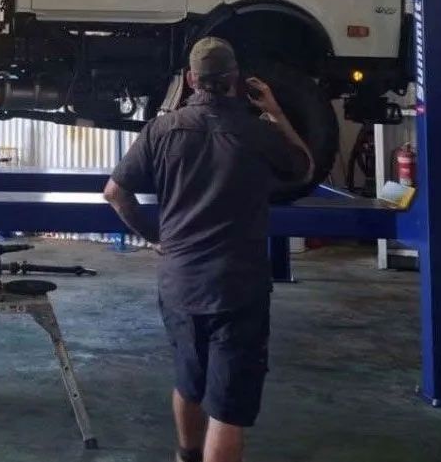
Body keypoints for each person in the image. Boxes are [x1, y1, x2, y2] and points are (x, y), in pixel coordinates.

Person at [103, 37, 313, 462]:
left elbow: (114, 193)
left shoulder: (161, 130)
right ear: (236, 79)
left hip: (180, 283)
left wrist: (156, 237)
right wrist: (275, 111)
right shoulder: (258, 132)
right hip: (238, 288)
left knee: (189, 383)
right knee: (227, 408)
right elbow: (305, 167)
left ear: (190, 79)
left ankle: (186, 455)